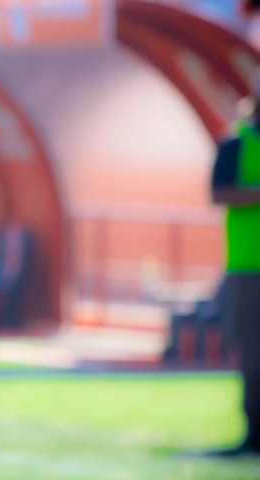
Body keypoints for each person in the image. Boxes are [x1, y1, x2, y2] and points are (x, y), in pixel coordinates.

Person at [205, 67, 260, 457]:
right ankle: (254, 431)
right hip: (248, 266)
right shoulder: (235, 142)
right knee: (253, 354)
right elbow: (219, 193)